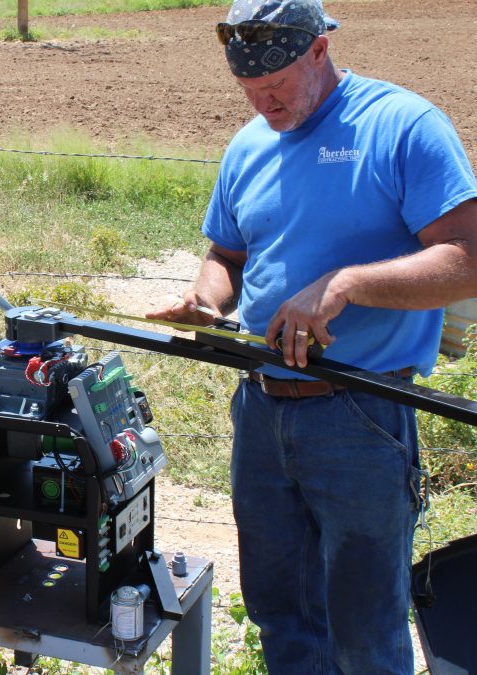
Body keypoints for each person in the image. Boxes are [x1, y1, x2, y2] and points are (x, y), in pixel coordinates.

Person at [147, 0, 477, 672]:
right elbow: (227, 255)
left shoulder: (400, 127)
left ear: (320, 50)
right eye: (248, 91)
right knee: (282, 617)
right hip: (261, 413)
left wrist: (346, 284)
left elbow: (468, 256)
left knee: (364, 628)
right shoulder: (248, 144)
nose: (263, 103)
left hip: (362, 414)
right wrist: (206, 301)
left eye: (275, 86)